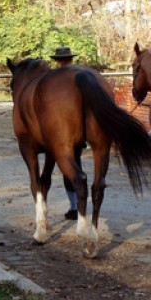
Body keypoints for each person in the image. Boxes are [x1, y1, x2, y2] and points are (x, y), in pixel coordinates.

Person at [50, 46, 80, 220]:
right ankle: (76, 206)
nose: (62, 63)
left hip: (61, 132)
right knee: (74, 166)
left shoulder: (54, 80)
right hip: (77, 130)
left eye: (64, 60)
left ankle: (75, 206)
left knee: (68, 167)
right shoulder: (79, 75)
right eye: (61, 60)